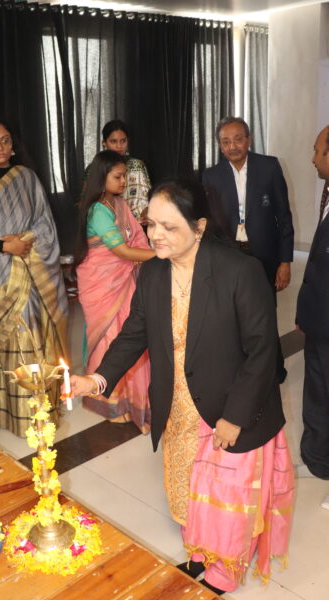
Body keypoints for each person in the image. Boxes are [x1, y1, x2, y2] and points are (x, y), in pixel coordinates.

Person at [69, 178, 294, 595]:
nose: (155, 235)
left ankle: (224, 570)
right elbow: (134, 333)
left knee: (226, 496)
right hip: (178, 405)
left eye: (169, 226)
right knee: (187, 487)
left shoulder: (239, 272)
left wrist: (234, 417)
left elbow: (263, 354)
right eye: (150, 224)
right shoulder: (154, 272)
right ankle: (199, 551)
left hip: (229, 406)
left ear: (200, 226)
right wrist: (96, 378)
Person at [0, 117, 68, 437]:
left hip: (30, 267)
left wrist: (24, 241)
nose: (0, 148)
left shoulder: (26, 177)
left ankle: (42, 411)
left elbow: (45, 224)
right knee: (10, 341)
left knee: (35, 336)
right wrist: (5, 246)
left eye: (5, 141)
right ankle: (14, 415)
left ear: (13, 143)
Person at [202, 116, 294, 382]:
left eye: (237, 139)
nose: (232, 146)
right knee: (232, 315)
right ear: (220, 146)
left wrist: (285, 261)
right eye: (226, 142)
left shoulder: (269, 167)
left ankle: (274, 370)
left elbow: (284, 217)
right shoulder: (211, 176)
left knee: (265, 313)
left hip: (263, 254)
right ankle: (241, 369)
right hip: (229, 256)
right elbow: (209, 223)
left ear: (249, 140)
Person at [75, 150, 154, 432]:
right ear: (102, 177)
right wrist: (163, 255)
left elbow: (137, 238)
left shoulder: (119, 204)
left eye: (125, 176)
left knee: (130, 339)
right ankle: (108, 404)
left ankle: (133, 403)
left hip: (124, 280)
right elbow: (122, 251)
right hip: (101, 284)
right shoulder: (98, 210)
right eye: (118, 177)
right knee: (109, 341)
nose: (123, 182)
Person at [296, 125, 329, 508]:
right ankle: (318, 460)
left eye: (318, 151)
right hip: (320, 320)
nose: (313, 158)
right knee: (318, 392)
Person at [100, 120, 151, 221]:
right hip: (107, 223)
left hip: (138, 224)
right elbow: (86, 203)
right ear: (104, 143)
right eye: (113, 141)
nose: (119, 146)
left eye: (123, 141)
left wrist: (147, 212)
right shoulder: (96, 168)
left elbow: (147, 198)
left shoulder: (137, 165)